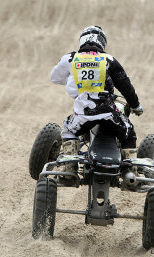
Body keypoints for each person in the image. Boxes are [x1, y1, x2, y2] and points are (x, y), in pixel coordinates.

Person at [50, 26, 143, 171]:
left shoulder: (70, 58)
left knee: (68, 130)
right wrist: (136, 105)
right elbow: (125, 86)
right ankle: (130, 171)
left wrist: (73, 76)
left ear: (82, 40)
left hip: (83, 115)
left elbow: (54, 78)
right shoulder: (108, 59)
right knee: (129, 132)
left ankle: (70, 169)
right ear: (102, 42)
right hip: (109, 114)